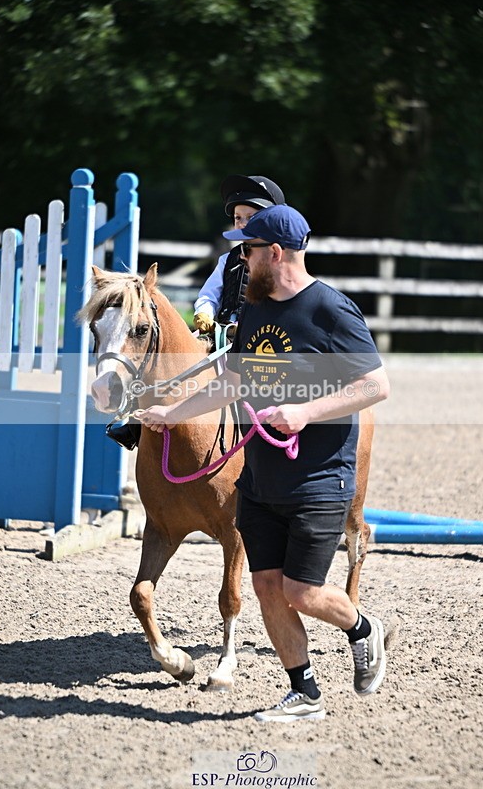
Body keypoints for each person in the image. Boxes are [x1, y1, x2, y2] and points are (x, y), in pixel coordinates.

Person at [135, 205, 390, 722]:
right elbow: (230, 383)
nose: (240, 261)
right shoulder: (253, 312)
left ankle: (364, 628)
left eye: (247, 251)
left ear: (275, 254)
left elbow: (375, 385)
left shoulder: (331, 311)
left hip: (320, 474)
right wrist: (171, 412)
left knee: (301, 591)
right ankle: (304, 692)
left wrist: (306, 412)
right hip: (260, 475)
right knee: (267, 585)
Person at [193, 174, 285, 333]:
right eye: (238, 217)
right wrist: (204, 312)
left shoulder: (280, 259)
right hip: (226, 332)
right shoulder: (227, 260)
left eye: (251, 217)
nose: (242, 223)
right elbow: (209, 294)